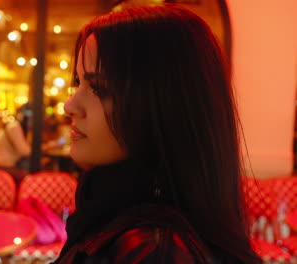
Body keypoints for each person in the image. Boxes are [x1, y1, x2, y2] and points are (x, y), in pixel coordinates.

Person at [55, 4, 261, 264]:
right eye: (78, 82)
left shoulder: (155, 249)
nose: (69, 105)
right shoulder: (110, 211)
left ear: (161, 106)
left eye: (99, 88)